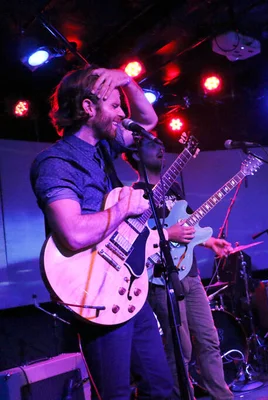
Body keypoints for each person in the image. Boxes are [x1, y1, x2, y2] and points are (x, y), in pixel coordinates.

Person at [30, 66, 173, 399]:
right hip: (94, 293)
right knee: (116, 394)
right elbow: (73, 234)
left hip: (126, 287)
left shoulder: (104, 147)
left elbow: (148, 122)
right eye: (114, 105)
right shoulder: (56, 163)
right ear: (88, 108)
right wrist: (122, 208)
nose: (122, 114)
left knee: (161, 387)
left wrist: (127, 80)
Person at [123, 138, 234, 400]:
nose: (160, 147)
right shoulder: (133, 195)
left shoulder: (172, 187)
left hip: (190, 274)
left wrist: (209, 242)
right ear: (135, 155)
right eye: (152, 144)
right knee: (179, 348)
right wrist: (167, 233)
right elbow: (132, 237)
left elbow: (187, 227)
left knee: (209, 340)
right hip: (160, 278)